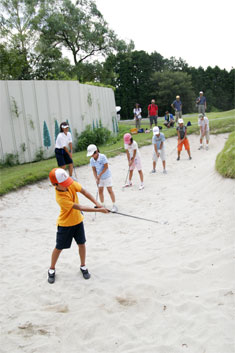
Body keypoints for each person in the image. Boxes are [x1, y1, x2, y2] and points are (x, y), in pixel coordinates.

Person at [48, 168, 109, 284]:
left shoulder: (70, 184)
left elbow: (84, 192)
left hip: (78, 221)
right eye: (63, 184)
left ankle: (83, 266)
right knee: (59, 247)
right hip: (65, 225)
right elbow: (80, 207)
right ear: (55, 184)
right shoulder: (60, 198)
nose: (67, 186)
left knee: (82, 244)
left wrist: (97, 204)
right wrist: (100, 210)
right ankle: (51, 268)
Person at [87, 144, 118, 212]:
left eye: (93, 154)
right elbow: (94, 170)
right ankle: (102, 206)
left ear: (97, 151)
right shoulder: (91, 160)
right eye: (91, 155)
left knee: (109, 190)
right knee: (100, 191)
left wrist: (100, 175)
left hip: (106, 176)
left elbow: (106, 166)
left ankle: (114, 205)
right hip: (99, 178)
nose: (92, 156)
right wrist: (96, 178)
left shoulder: (102, 157)